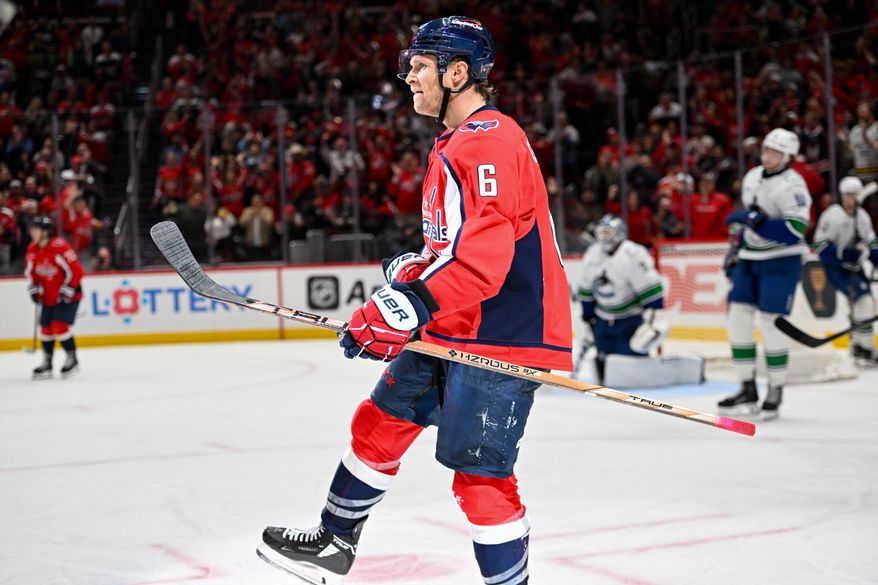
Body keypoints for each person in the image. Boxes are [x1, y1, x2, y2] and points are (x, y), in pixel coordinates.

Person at [257, 16, 573, 585]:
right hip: (456, 324)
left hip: (502, 334)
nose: (410, 78)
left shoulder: (491, 139)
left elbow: (486, 261)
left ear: (457, 73)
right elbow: (454, 248)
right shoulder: (455, 142)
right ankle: (334, 543)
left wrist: (405, 308)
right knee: (378, 424)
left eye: (421, 67)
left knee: (479, 476)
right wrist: (412, 274)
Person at [719, 128, 812, 420]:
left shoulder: (793, 185)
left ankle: (776, 388)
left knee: (772, 323)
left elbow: (795, 231)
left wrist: (754, 222)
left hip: (782, 261)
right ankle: (747, 386)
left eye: (775, 152)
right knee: (737, 316)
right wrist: (735, 250)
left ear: (788, 157)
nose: (767, 156)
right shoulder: (752, 176)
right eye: (766, 149)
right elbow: (747, 220)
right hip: (750, 258)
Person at [576, 214, 667, 383]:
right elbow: (587, 289)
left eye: (608, 232)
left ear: (620, 233)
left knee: (630, 360)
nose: (604, 237)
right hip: (603, 318)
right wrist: (587, 319)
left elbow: (651, 291)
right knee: (603, 362)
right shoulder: (593, 253)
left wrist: (655, 321)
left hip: (629, 318)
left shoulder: (633, 254)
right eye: (601, 232)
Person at [814, 176, 878, 366]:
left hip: (855, 268)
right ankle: (864, 348)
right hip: (835, 268)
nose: (853, 199)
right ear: (843, 196)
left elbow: (871, 242)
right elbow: (819, 245)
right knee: (863, 301)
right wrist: (841, 254)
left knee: (863, 303)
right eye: (850, 195)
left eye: (856, 195)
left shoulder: (862, 216)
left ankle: (858, 345)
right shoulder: (833, 216)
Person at [24, 215, 84, 379]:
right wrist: (34, 290)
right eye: (32, 229)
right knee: (45, 329)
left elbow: (77, 271)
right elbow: (31, 274)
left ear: (46, 232)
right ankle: (47, 363)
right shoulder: (32, 249)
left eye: (36, 229)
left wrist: (66, 291)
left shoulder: (60, 246)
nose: (33, 232)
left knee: (58, 325)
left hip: (69, 294)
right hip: (48, 296)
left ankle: (72, 360)